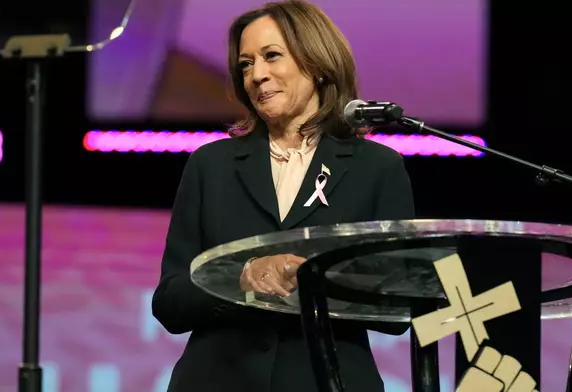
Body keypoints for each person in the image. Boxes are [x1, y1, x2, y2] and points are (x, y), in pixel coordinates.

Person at [151, 1, 415, 391]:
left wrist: (316, 276)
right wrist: (241, 277)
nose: (256, 75)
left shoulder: (377, 167)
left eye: (271, 56)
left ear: (318, 62)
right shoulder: (212, 165)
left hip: (327, 380)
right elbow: (170, 302)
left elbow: (399, 306)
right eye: (245, 64)